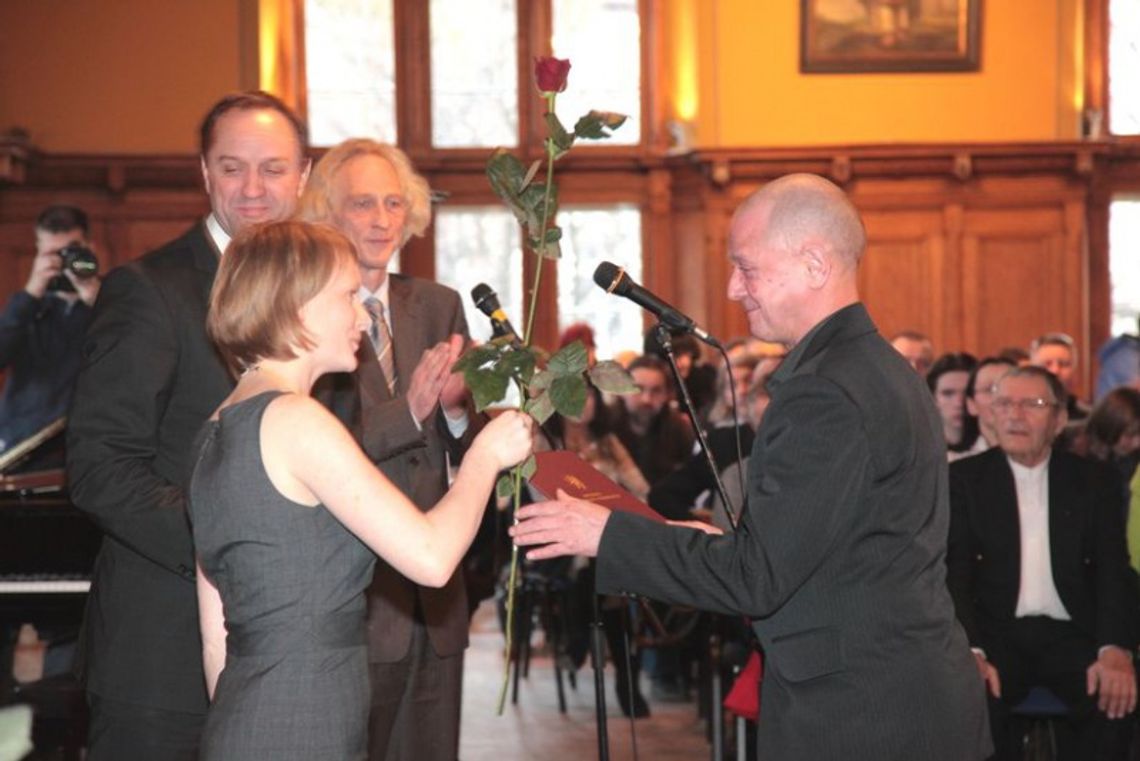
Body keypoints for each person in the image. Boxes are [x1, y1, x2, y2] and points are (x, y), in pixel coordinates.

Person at [510, 173, 991, 761]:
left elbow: (757, 580)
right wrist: (696, 540)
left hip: (862, 714)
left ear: (814, 264)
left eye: (747, 267)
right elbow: (837, 546)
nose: (734, 288)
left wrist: (605, 533)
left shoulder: (825, 390)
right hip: (895, 690)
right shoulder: (875, 366)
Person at [190, 220, 532, 760]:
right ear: (296, 303)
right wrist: (486, 457)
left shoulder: (216, 424)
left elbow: (215, 636)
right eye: (347, 296)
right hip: (309, 715)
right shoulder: (298, 421)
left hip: (246, 716)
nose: (362, 314)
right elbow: (432, 557)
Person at [65, 91, 310, 760]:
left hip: (285, 663)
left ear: (304, 176)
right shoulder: (150, 289)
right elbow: (99, 467)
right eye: (233, 168)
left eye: (273, 168)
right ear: (205, 173)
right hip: (161, 660)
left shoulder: (317, 292)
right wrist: (236, 548)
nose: (254, 189)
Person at [297, 138, 480, 761]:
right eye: (363, 204)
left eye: (394, 203)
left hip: (438, 594)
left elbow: (465, 440)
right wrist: (410, 411)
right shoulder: (303, 310)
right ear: (326, 211)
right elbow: (309, 445)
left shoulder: (438, 304)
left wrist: (457, 408)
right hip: (356, 593)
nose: (381, 220)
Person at [947, 366, 1137, 760]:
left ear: (1060, 419)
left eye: (1032, 404)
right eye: (1004, 404)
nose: (1016, 415)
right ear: (990, 414)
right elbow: (955, 574)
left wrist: (1115, 648)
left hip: (1074, 632)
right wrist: (972, 651)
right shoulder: (962, 480)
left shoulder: (1093, 481)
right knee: (966, 700)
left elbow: (1112, 570)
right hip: (993, 633)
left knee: (1116, 699)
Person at [0, 205, 100, 456]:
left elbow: (133, 359)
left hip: (86, 446)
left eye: (72, 251)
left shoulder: (113, 300)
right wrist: (32, 291)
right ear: (38, 254)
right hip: (22, 443)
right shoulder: (26, 307)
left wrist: (98, 301)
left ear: (91, 248)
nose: (64, 262)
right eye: (53, 254)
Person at [927, 351, 978, 456]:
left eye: (967, 393)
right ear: (933, 398)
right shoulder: (921, 451)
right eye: (948, 394)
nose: (959, 403)